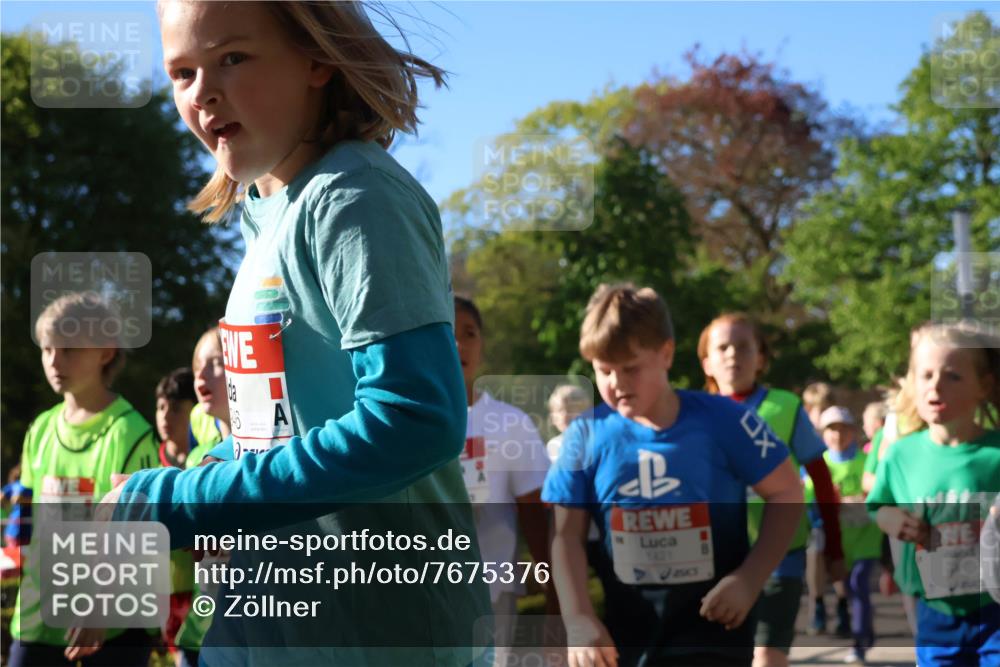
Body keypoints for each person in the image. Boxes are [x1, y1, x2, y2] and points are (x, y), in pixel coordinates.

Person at [97, 2, 491, 665]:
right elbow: (269, 440)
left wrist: (171, 500)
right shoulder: (263, 214)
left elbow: (416, 419)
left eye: (232, 58)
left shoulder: (356, 196)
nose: (205, 92)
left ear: (316, 56)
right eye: (182, 72)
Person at [543, 284, 804, 667]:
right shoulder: (584, 434)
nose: (616, 383)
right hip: (627, 636)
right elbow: (565, 534)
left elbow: (788, 493)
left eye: (631, 368)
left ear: (666, 353)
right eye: (603, 370)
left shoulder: (725, 420)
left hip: (713, 630)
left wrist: (750, 578)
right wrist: (578, 615)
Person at [9, 293, 158, 667]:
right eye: (47, 349)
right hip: (37, 620)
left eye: (69, 349)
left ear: (106, 352)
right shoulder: (40, 428)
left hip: (111, 624)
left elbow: (142, 535)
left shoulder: (131, 431)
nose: (54, 361)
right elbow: (29, 524)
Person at [698, 312, 845, 667]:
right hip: (715, 559)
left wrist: (834, 547)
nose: (733, 355)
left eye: (744, 347)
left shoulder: (786, 406)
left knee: (767, 657)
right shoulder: (692, 413)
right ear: (706, 362)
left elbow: (820, 477)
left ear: (761, 358)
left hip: (781, 555)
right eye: (723, 347)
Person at [867, 323, 1000, 666]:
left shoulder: (995, 453)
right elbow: (878, 505)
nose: (935, 385)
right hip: (936, 610)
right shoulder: (901, 454)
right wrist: (892, 518)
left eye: (952, 376)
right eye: (925, 375)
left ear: (983, 386)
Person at [453, 296, 556, 661]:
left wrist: (554, 595)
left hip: (493, 593)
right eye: (448, 332)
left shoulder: (509, 422)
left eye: (469, 333)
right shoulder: (402, 421)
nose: (459, 344)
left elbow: (535, 513)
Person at [811, 406, 882, 666]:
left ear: (852, 431)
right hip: (838, 544)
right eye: (831, 429)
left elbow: (878, 492)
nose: (837, 435)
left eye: (843, 428)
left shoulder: (866, 463)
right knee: (849, 592)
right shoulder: (819, 466)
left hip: (867, 539)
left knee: (858, 586)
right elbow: (809, 499)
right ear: (823, 434)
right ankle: (866, 635)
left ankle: (860, 645)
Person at [155, 368, 198, 469]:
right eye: (161, 407)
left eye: (176, 408)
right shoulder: (149, 459)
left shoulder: (211, 458)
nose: (165, 416)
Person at [1, 465, 31, 548]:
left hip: (16, 531)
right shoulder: (21, 486)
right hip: (18, 531)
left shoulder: (14, 485)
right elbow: (15, 499)